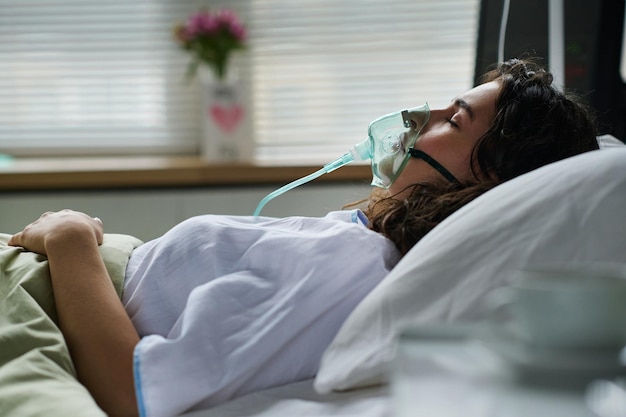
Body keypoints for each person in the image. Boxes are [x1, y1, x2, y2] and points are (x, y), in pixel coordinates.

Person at [7, 59, 599, 417]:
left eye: (454, 120)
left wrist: (70, 240)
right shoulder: (354, 237)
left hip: (37, 301)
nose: (421, 116)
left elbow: (132, 395)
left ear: (483, 183)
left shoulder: (349, 264)